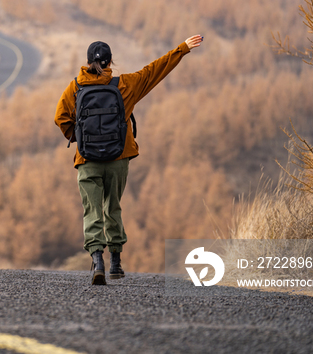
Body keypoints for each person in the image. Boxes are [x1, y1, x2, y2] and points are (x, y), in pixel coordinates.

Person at [54, 36, 202, 285]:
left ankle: (97, 261)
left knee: (92, 210)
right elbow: (155, 70)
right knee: (112, 206)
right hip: (118, 157)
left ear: (87, 62)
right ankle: (116, 264)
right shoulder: (125, 84)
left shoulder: (75, 88)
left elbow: (61, 117)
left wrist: (80, 138)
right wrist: (182, 49)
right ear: (111, 61)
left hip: (87, 158)